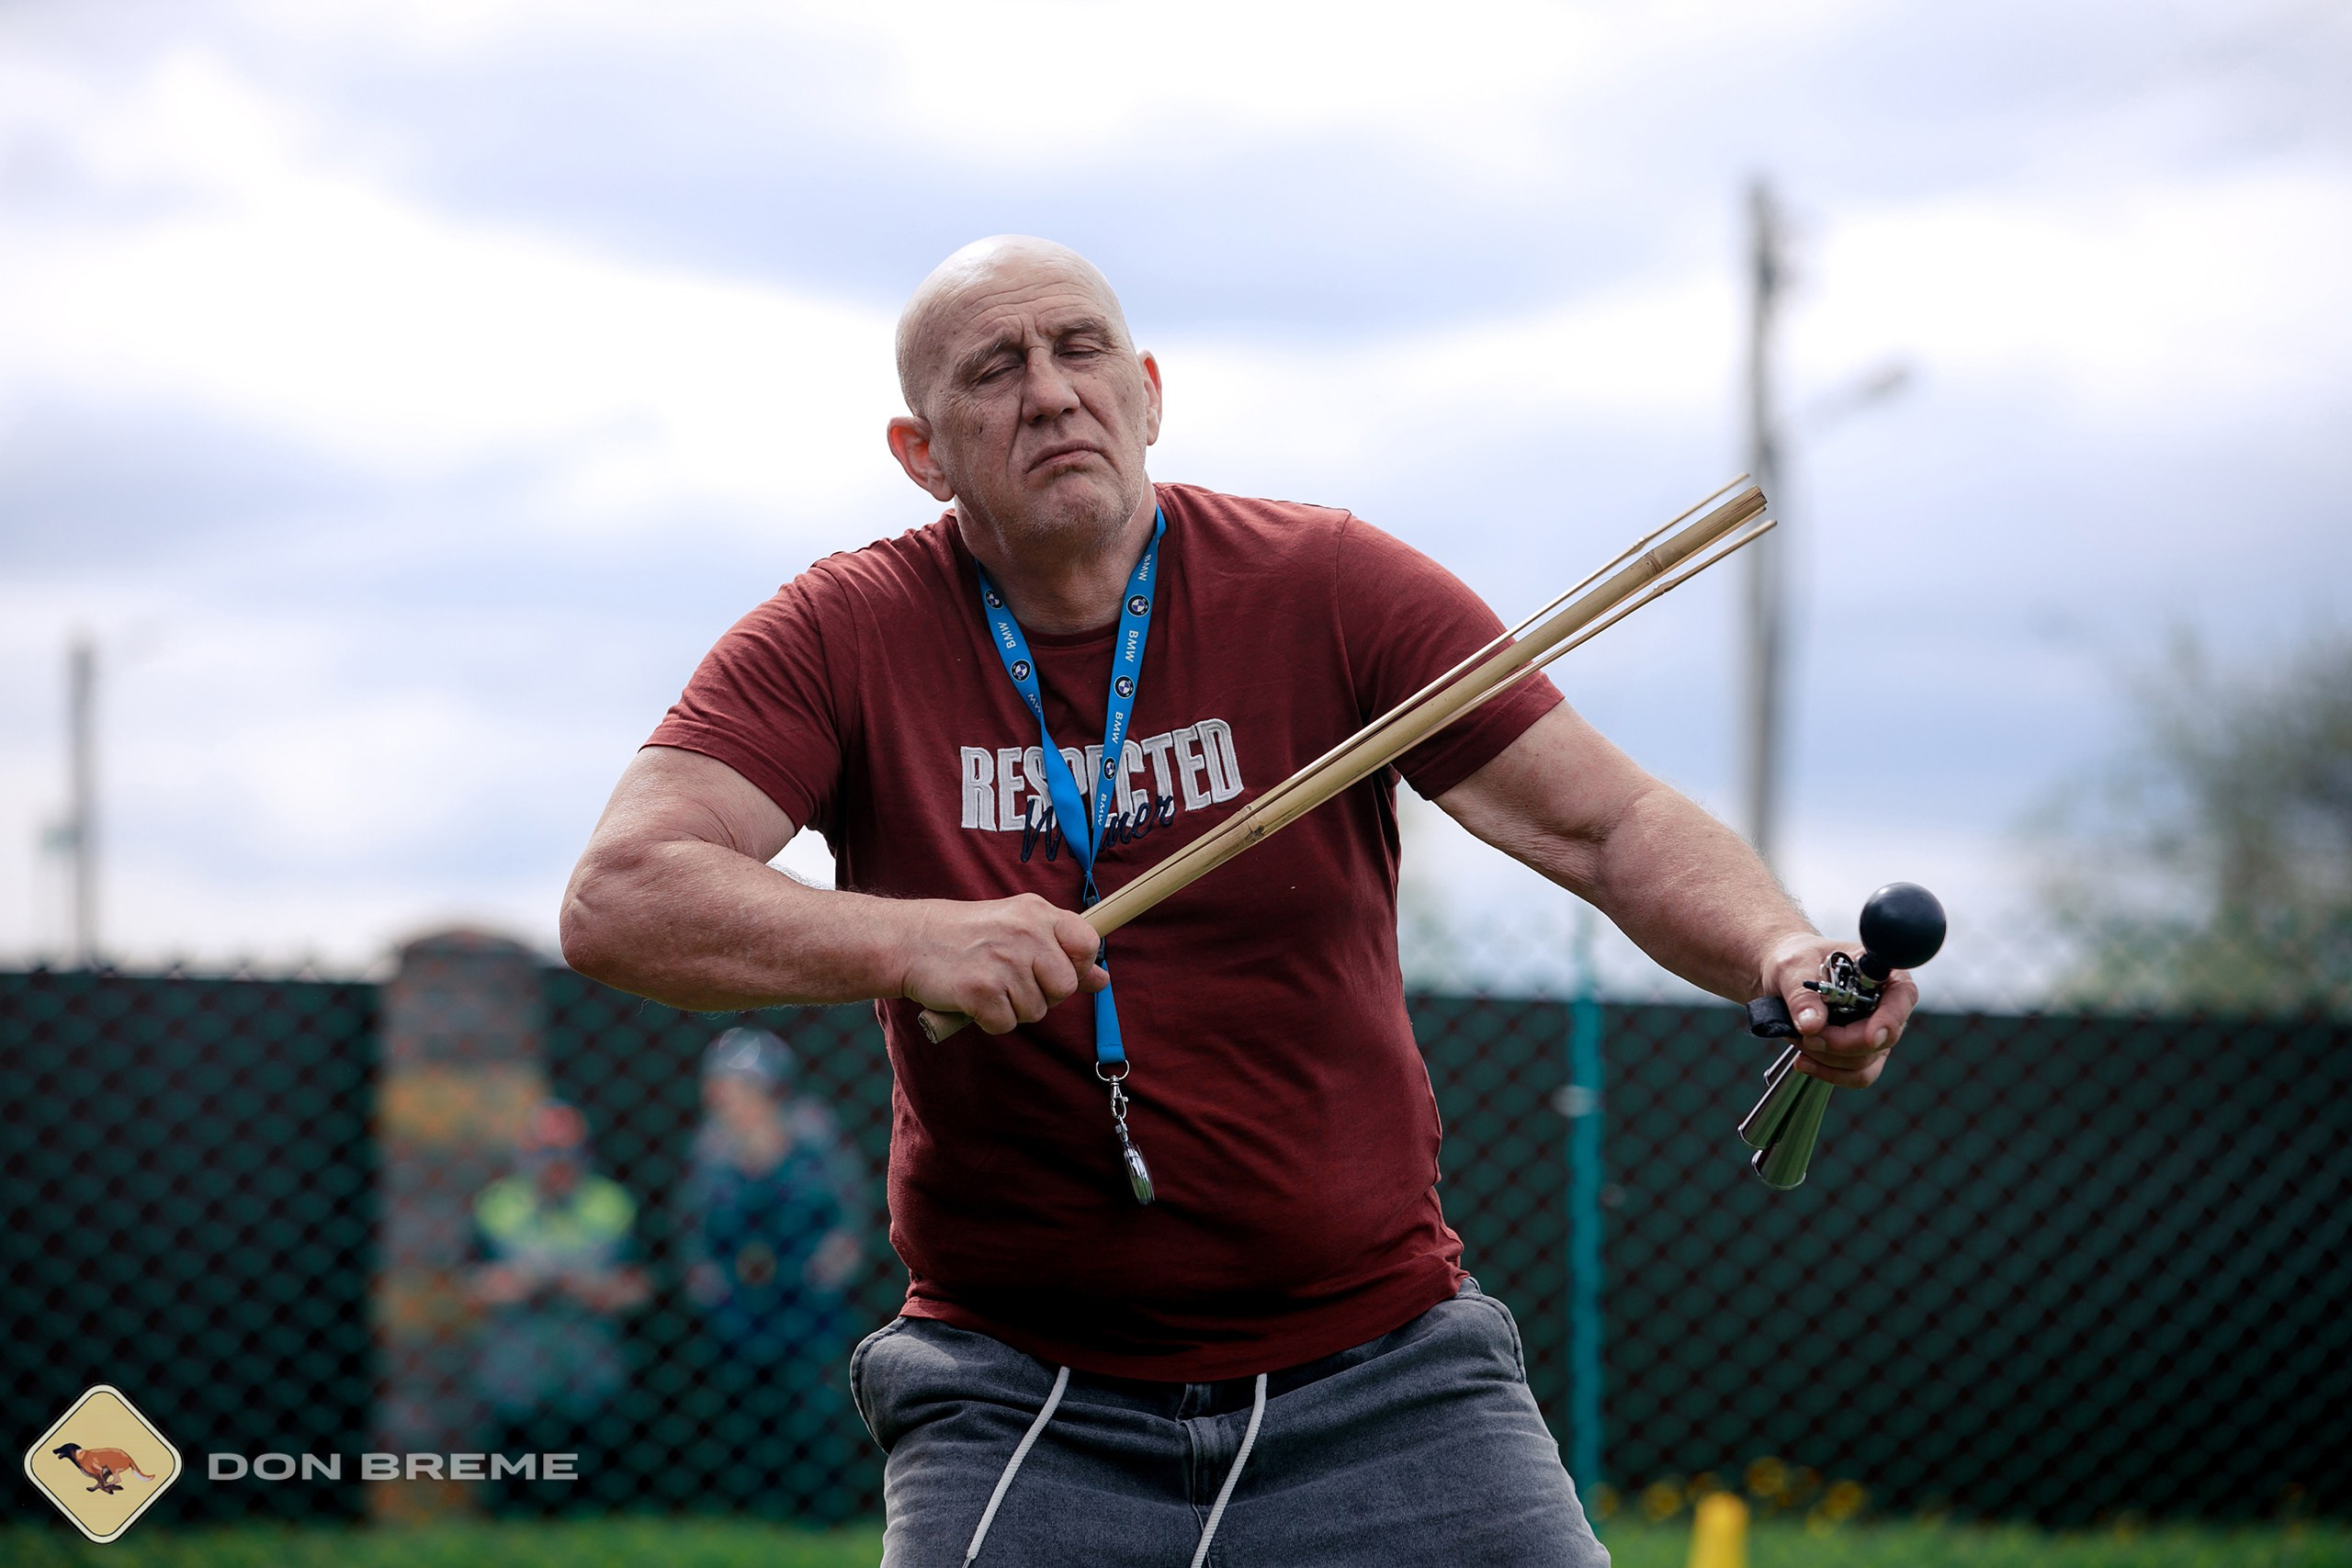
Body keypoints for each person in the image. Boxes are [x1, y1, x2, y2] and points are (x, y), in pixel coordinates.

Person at [560, 236, 1918, 1566]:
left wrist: (1783, 946)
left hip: (1385, 1370)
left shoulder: (1324, 583)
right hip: (1022, 1390)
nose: (1050, 389)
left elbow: (1608, 823)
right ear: (922, 452)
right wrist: (911, 935)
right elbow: (623, 895)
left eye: (1082, 348)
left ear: (1148, 391)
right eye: (994, 368)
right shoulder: (843, 634)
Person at [681, 1025, 865, 1517]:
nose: (729, 1096)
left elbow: (848, 1217)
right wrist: (706, 1277)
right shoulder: (710, 1147)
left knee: (811, 1406)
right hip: (740, 1305)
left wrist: (831, 1265)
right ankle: (749, 1511)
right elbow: (694, 1230)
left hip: (806, 1299)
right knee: (741, 1408)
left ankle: (819, 1513)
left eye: (744, 1085)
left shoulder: (813, 1135)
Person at [465, 1099, 650, 1512]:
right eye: (546, 1153)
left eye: (567, 1153)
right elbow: (471, 1286)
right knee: (516, 1499)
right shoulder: (497, 1206)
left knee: (594, 1498)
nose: (557, 1165)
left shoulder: (611, 1206)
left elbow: (640, 1287)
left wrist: (589, 1288)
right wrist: (524, 1283)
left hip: (589, 1372)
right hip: (518, 1375)